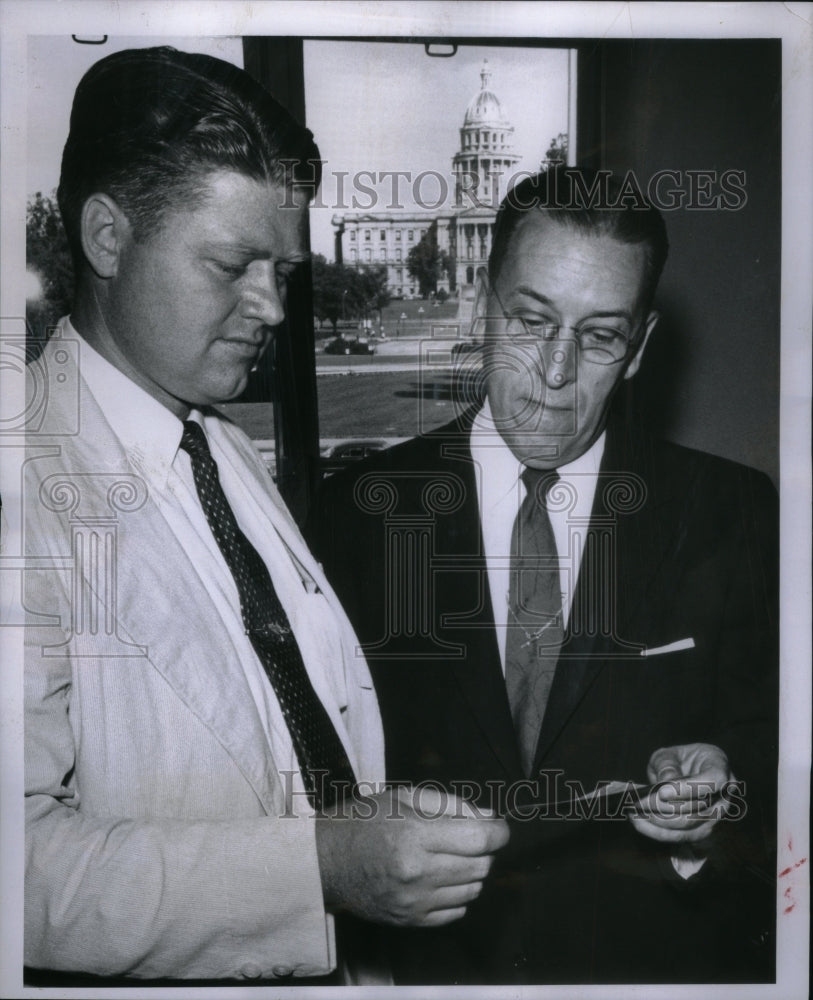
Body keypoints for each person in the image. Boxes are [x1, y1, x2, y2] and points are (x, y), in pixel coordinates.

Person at [23, 46, 509, 986]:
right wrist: (317, 868)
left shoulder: (222, 448)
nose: (274, 307)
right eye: (234, 263)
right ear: (106, 237)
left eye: (283, 268)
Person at [308, 167, 778, 984]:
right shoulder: (352, 514)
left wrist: (717, 800)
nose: (555, 374)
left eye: (598, 336)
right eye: (530, 321)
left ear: (639, 347)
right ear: (482, 308)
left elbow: (771, 748)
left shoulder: (730, 510)